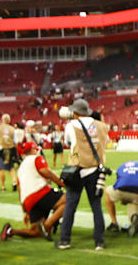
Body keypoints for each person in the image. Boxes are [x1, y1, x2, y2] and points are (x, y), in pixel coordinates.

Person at [56, 99, 109, 250]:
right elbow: (105, 142)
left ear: (76, 112)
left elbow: (67, 142)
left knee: (70, 206)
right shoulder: (101, 125)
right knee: (96, 206)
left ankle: (65, 240)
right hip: (94, 169)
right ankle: (99, 241)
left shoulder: (71, 125)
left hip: (76, 170)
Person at [0, 141, 66, 241]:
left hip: (28, 201)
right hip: (40, 193)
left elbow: (19, 190)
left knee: (36, 232)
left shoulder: (21, 167)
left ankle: (11, 231)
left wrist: (25, 211)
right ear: (33, 150)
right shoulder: (36, 158)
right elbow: (45, 171)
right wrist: (61, 183)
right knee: (70, 199)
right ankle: (48, 224)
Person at [105, 160, 138, 237]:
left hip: (122, 190)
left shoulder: (121, 167)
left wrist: (122, 199)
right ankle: (134, 217)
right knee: (134, 200)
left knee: (107, 192)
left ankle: (114, 223)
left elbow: (118, 183)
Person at [0, 114, 18, 192]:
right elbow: (15, 142)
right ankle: (14, 181)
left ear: (2, 120)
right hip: (10, 149)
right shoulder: (12, 129)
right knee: (10, 167)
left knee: (2, 168)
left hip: (1, 149)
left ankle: (3, 186)